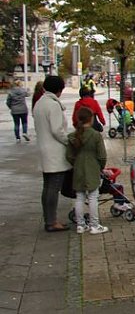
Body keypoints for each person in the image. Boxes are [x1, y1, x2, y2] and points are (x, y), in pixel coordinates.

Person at [33, 75, 72, 232]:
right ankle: (52, 221)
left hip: (43, 149)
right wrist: (69, 141)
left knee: (47, 186)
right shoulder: (53, 105)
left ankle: (48, 218)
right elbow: (57, 130)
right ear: (59, 90)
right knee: (53, 188)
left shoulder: (40, 103)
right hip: (54, 152)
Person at [66, 107, 109, 234]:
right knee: (93, 197)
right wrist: (100, 167)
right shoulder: (95, 135)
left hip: (78, 169)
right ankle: (94, 225)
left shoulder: (73, 136)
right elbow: (102, 155)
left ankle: (80, 225)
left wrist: (76, 163)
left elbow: (69, 155)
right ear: (91, 119)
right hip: (92, 167)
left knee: (79, 197)